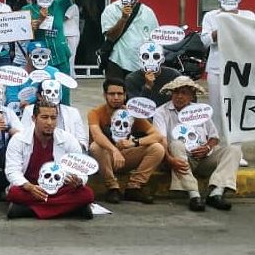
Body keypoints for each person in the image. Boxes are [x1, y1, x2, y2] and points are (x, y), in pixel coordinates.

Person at [152, 76, 241, 212]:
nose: (179, 96)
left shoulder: (200, 111)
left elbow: (214, 137)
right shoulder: (161, 112)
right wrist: (170, 160)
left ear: (192, 96)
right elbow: (161, 140)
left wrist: (207, 147)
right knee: (176, 144)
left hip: (203, 158)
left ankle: (216, 193)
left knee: (234, 150)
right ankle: (194, 195)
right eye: (176, 92)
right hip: (179, 159)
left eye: (184, 93)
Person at [5, 97, 95, 220]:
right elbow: (12, 171)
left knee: (87, 194)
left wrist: (78, 180)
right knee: (14, 193)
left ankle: (27, 210)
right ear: (34, 119)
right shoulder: (18, 139)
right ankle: (72, 209)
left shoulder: (68, 139)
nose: (49, 123)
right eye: (44, 117)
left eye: (53, 118)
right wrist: (29, 187)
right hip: (32, 188)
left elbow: (81, 171)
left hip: (59, 188)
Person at [26, 0, 103, 81]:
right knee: (44, 94)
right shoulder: (27, 10)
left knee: (63, 93)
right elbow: (22, 36)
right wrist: (36, 22)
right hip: (40, 60)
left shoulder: (59, 5)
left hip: (61, 57)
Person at [200, 0, 254, 166]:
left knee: (236, 110)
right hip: (216, 67)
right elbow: (205, 41)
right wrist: (223, 26)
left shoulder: (248, 16)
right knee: (216, 109)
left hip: (240, 69)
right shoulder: (211, 16)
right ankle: (216, 149)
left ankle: (235, 152)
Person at [87, 77, 164, 205]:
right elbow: (97, 135)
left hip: (126, 156)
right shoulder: (95, 113)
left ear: (125, 95)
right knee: (95, 146)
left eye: (120, 94)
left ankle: (134, 187)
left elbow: (157, 135)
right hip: (105, 158)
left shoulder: (132, 113)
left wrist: (135, 142)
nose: (116, 97)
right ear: (105, 95)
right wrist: (114, 150)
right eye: (112, 94)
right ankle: (112, 187)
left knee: (157, 148)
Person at [100, 0, 158, 81]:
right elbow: (111, 36)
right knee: (116, 96)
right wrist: (123, 19)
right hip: (117, 62)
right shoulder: (110, 10)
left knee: (138, 96)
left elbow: (154, 41)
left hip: (140, 65)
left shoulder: (148, 13)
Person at [20, 79, 88, 149]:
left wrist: (72, 148)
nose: (53, 95)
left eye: (56, 92)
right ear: (39, 96)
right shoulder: (29, 110)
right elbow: (23, 136)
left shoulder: (73, 112)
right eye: (48, 92)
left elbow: (82, 141)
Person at [63, 3, 81, 77]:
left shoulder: (73, 6)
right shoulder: (63, 5)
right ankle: (67, 74)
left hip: (72, 34)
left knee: (71, 55)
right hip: (64, 34)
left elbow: (65, 17)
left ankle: (71, 75)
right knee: (65, 56)